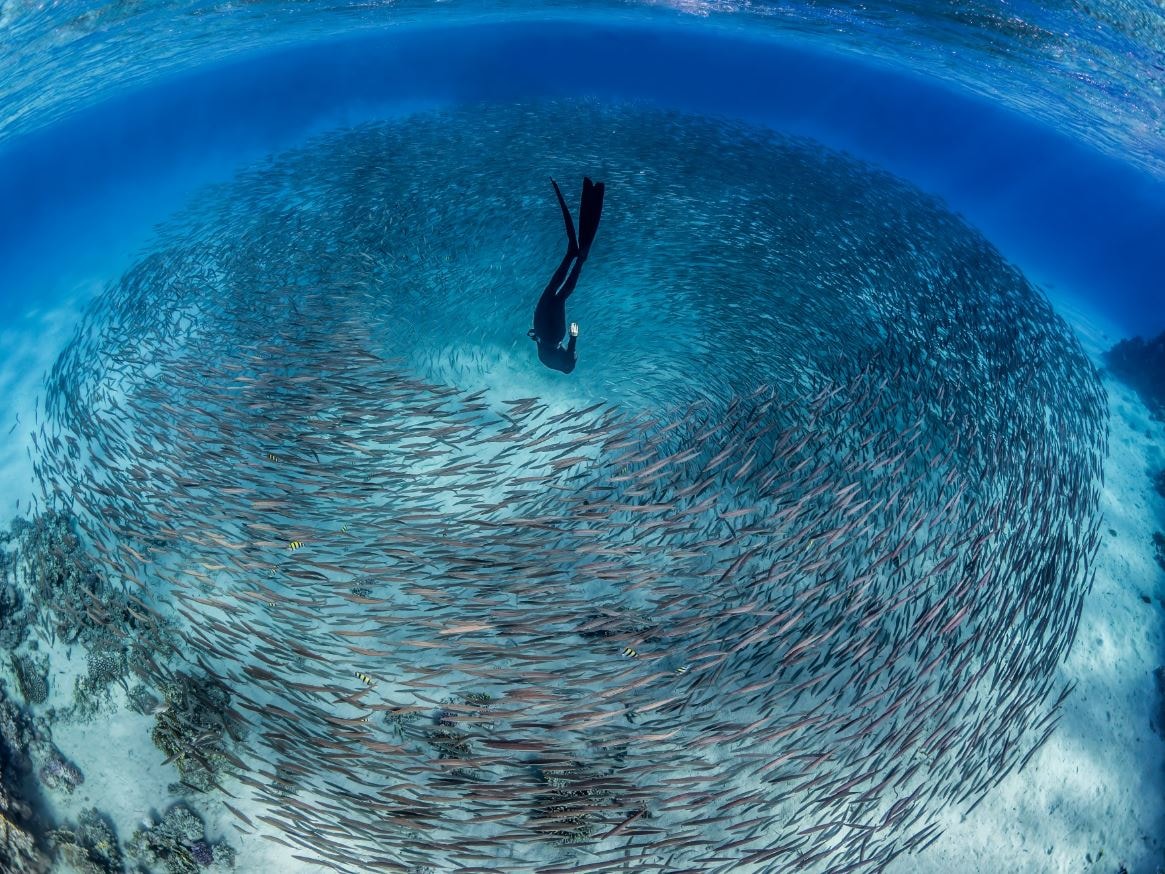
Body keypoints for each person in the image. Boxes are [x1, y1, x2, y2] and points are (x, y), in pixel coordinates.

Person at [528, 176, 605, 373]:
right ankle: (573, 254)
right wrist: (537, 336)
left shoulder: (562, 363)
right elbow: (565, 360)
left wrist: (573, 337)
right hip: (542, 328)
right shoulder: (548, 361)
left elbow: (569, 361)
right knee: (554, 292)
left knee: (561, 296)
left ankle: (578, 259)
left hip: (553, 334)